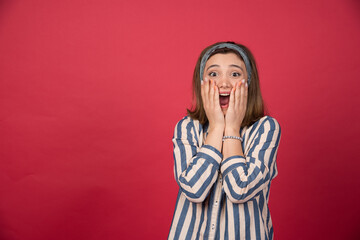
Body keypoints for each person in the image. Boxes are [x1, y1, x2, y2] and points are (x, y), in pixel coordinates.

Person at [168, 41, 281, 240]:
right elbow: (194, 189)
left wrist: (231, 128)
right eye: (213, 74)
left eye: (235, 74)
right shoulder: (187, 127)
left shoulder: (266, 128)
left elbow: (240, 190)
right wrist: (217, 127)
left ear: (249, 82)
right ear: (201, 82)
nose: (224, 83)